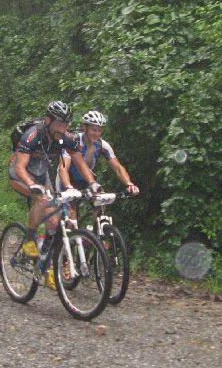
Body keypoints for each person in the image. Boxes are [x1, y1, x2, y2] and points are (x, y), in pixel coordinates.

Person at [9, 101, 100, 272]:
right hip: (20, 174)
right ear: (48, 120)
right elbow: (20, 167)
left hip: (41, 174)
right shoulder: (33, 135)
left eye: (65, 123)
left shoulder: (66, 137)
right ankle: (29, 243)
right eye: (59, 122)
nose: (62, 128)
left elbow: (80, 164)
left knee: (54, 218)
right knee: (42, 199)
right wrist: (32, 185)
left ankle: (44, 257)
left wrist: (93, 183)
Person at [58, 110, 140, 197]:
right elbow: (63, 168)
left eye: (100, 131)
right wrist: (69, 187)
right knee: (69, 209)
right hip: (66, 179)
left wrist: (129, 184)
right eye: (94, 130)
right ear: (85, 128)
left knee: (101, 201)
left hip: (85, 180)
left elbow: (118, 168)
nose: (97, 134)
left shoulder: (102, 145)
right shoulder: (73, 142)